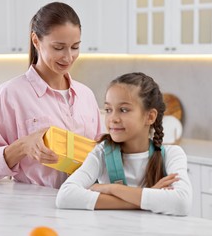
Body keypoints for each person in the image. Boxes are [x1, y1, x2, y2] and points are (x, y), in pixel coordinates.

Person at [0, 2, 103, 188]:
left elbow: (99, 157)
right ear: (36, 41)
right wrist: (23, 146)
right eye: (58, 48)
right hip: (35, 209)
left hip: (83, 203)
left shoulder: (86, 95)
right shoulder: (11, 94)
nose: (68, 57)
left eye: (75, 47)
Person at [56, 72, 192, 215]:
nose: (113, 118)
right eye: (108, 110)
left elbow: (182, 203)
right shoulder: (102, 152)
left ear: (150, 116)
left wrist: (111, 189)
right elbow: (65, 196)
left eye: (124, 110)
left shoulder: (172, 155)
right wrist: (146, 197)